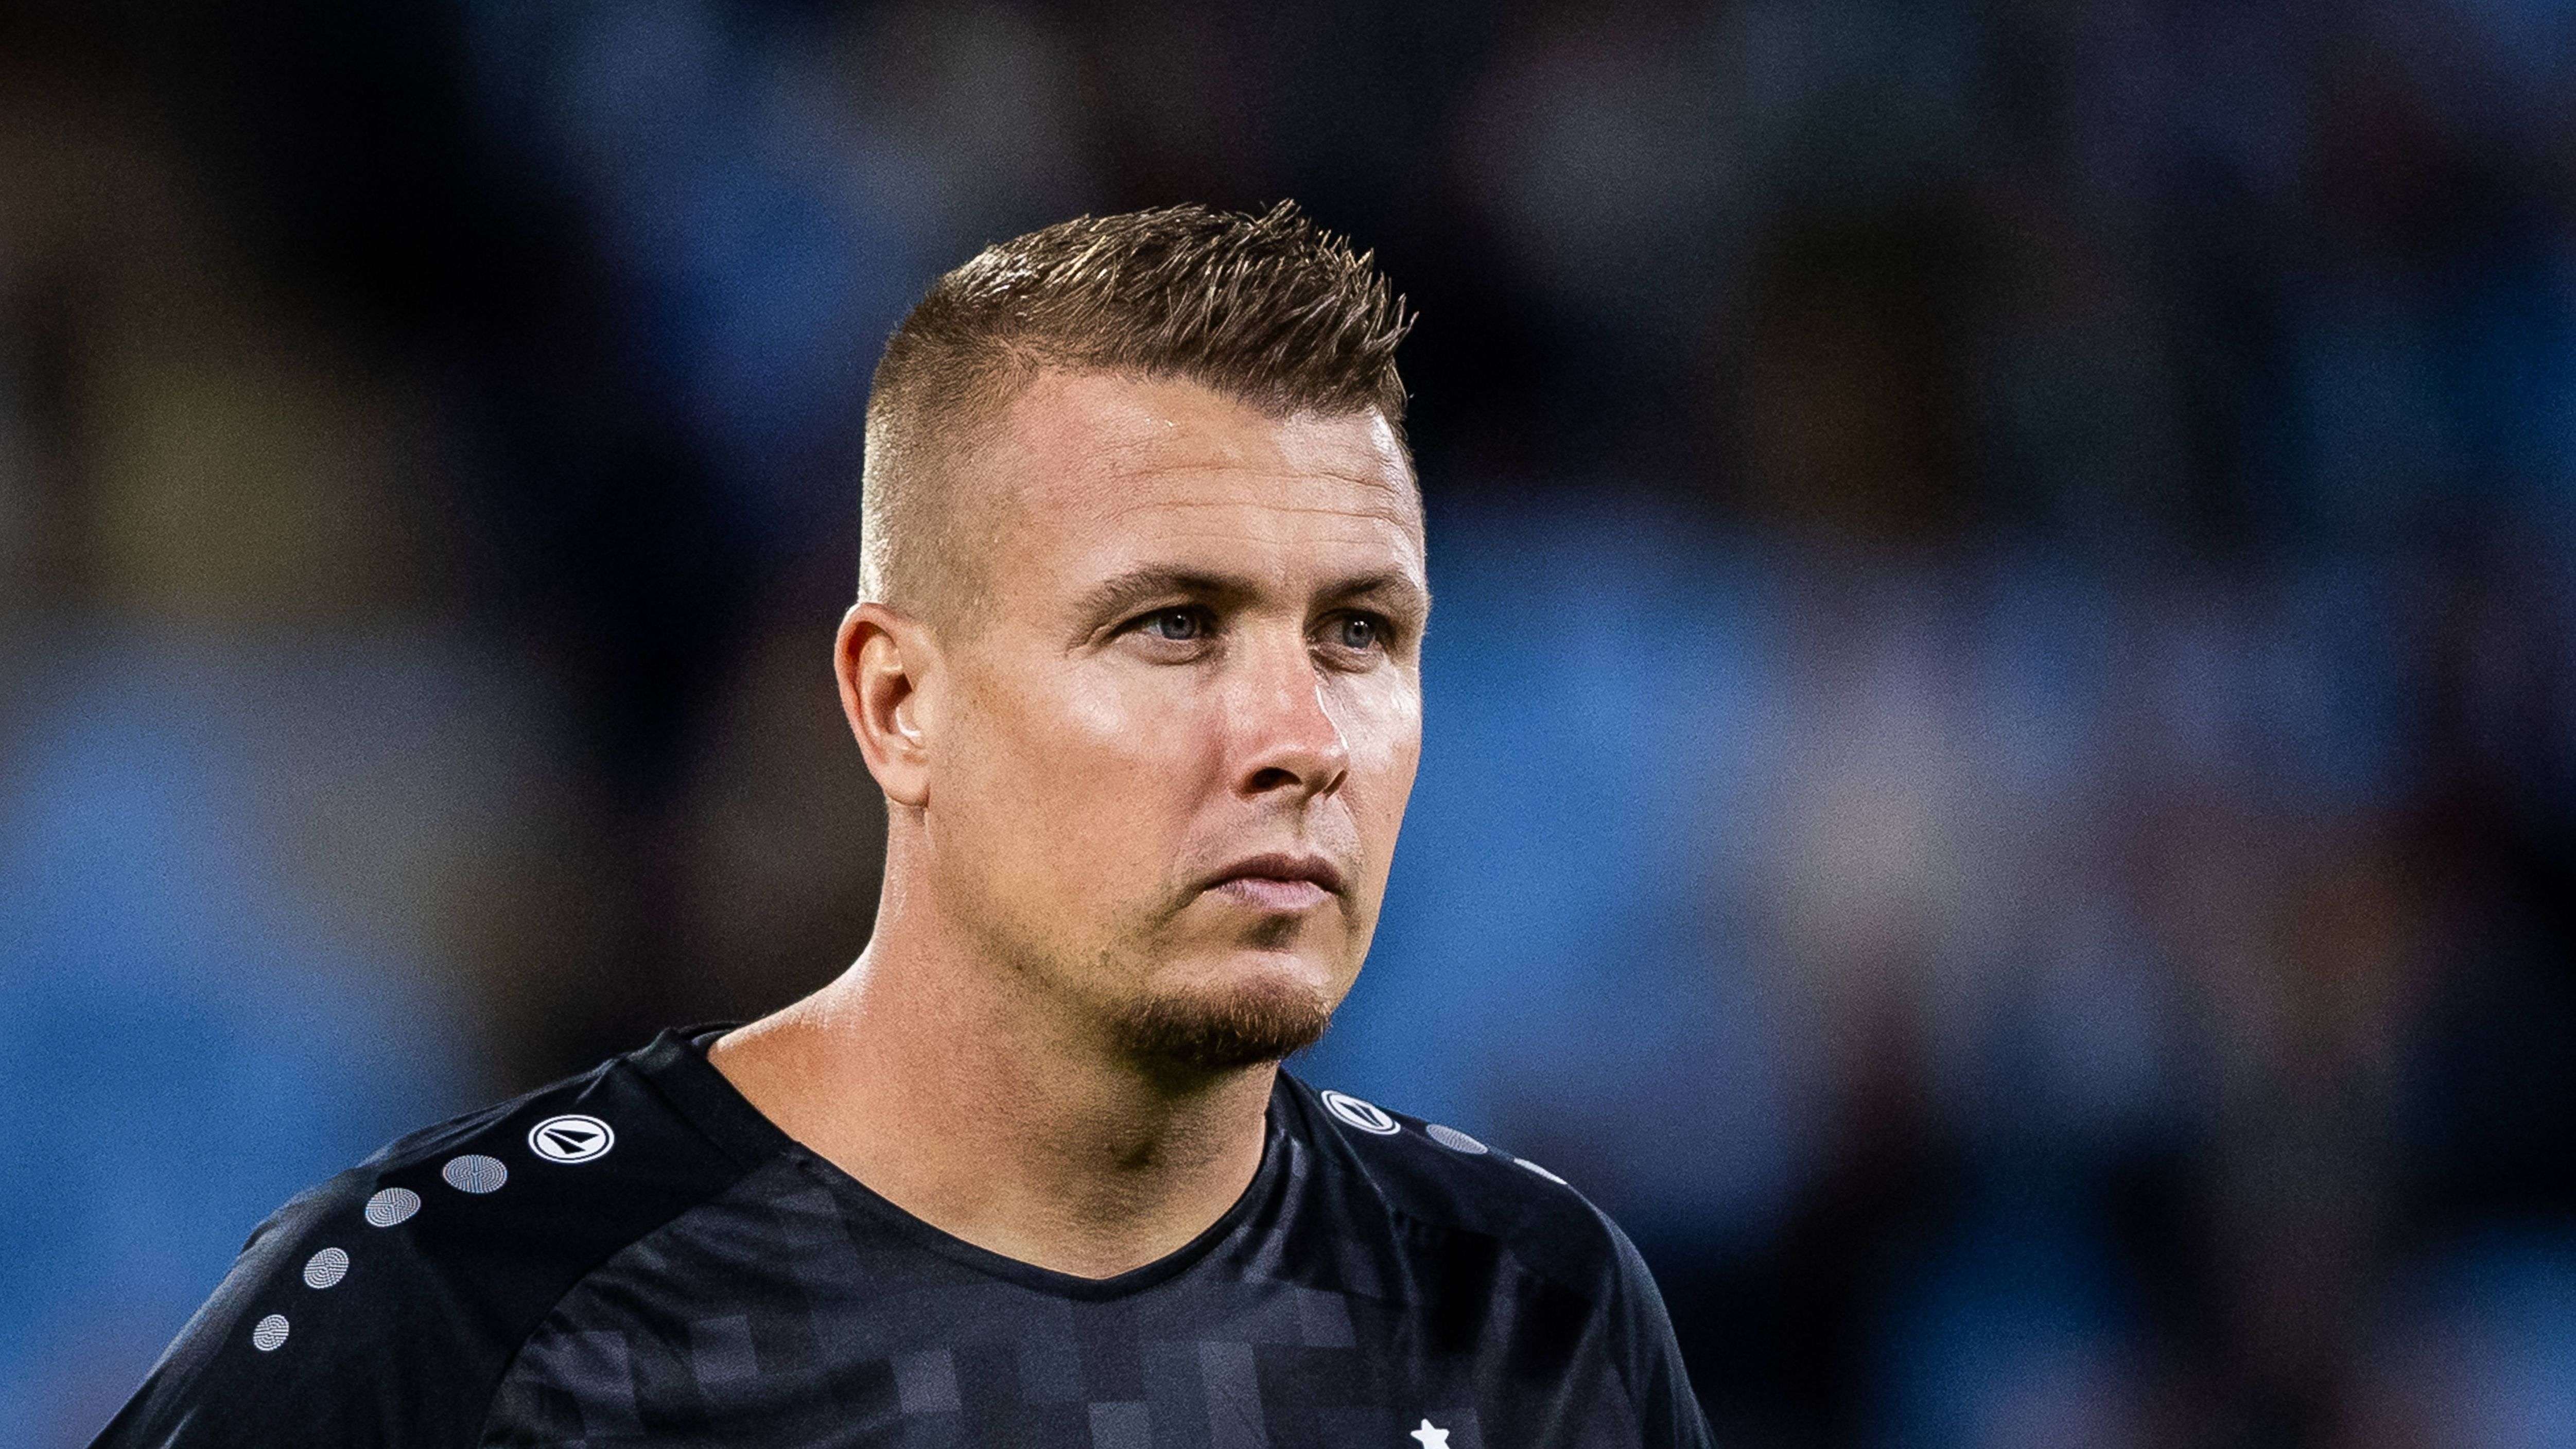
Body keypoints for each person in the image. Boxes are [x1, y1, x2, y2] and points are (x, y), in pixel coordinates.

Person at [91, 202, 1715, 1449]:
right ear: (896, 702)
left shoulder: (1526, 1311)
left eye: (1359, 633)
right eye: (1170, 625)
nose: (1298, 739)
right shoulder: (464, 1314)